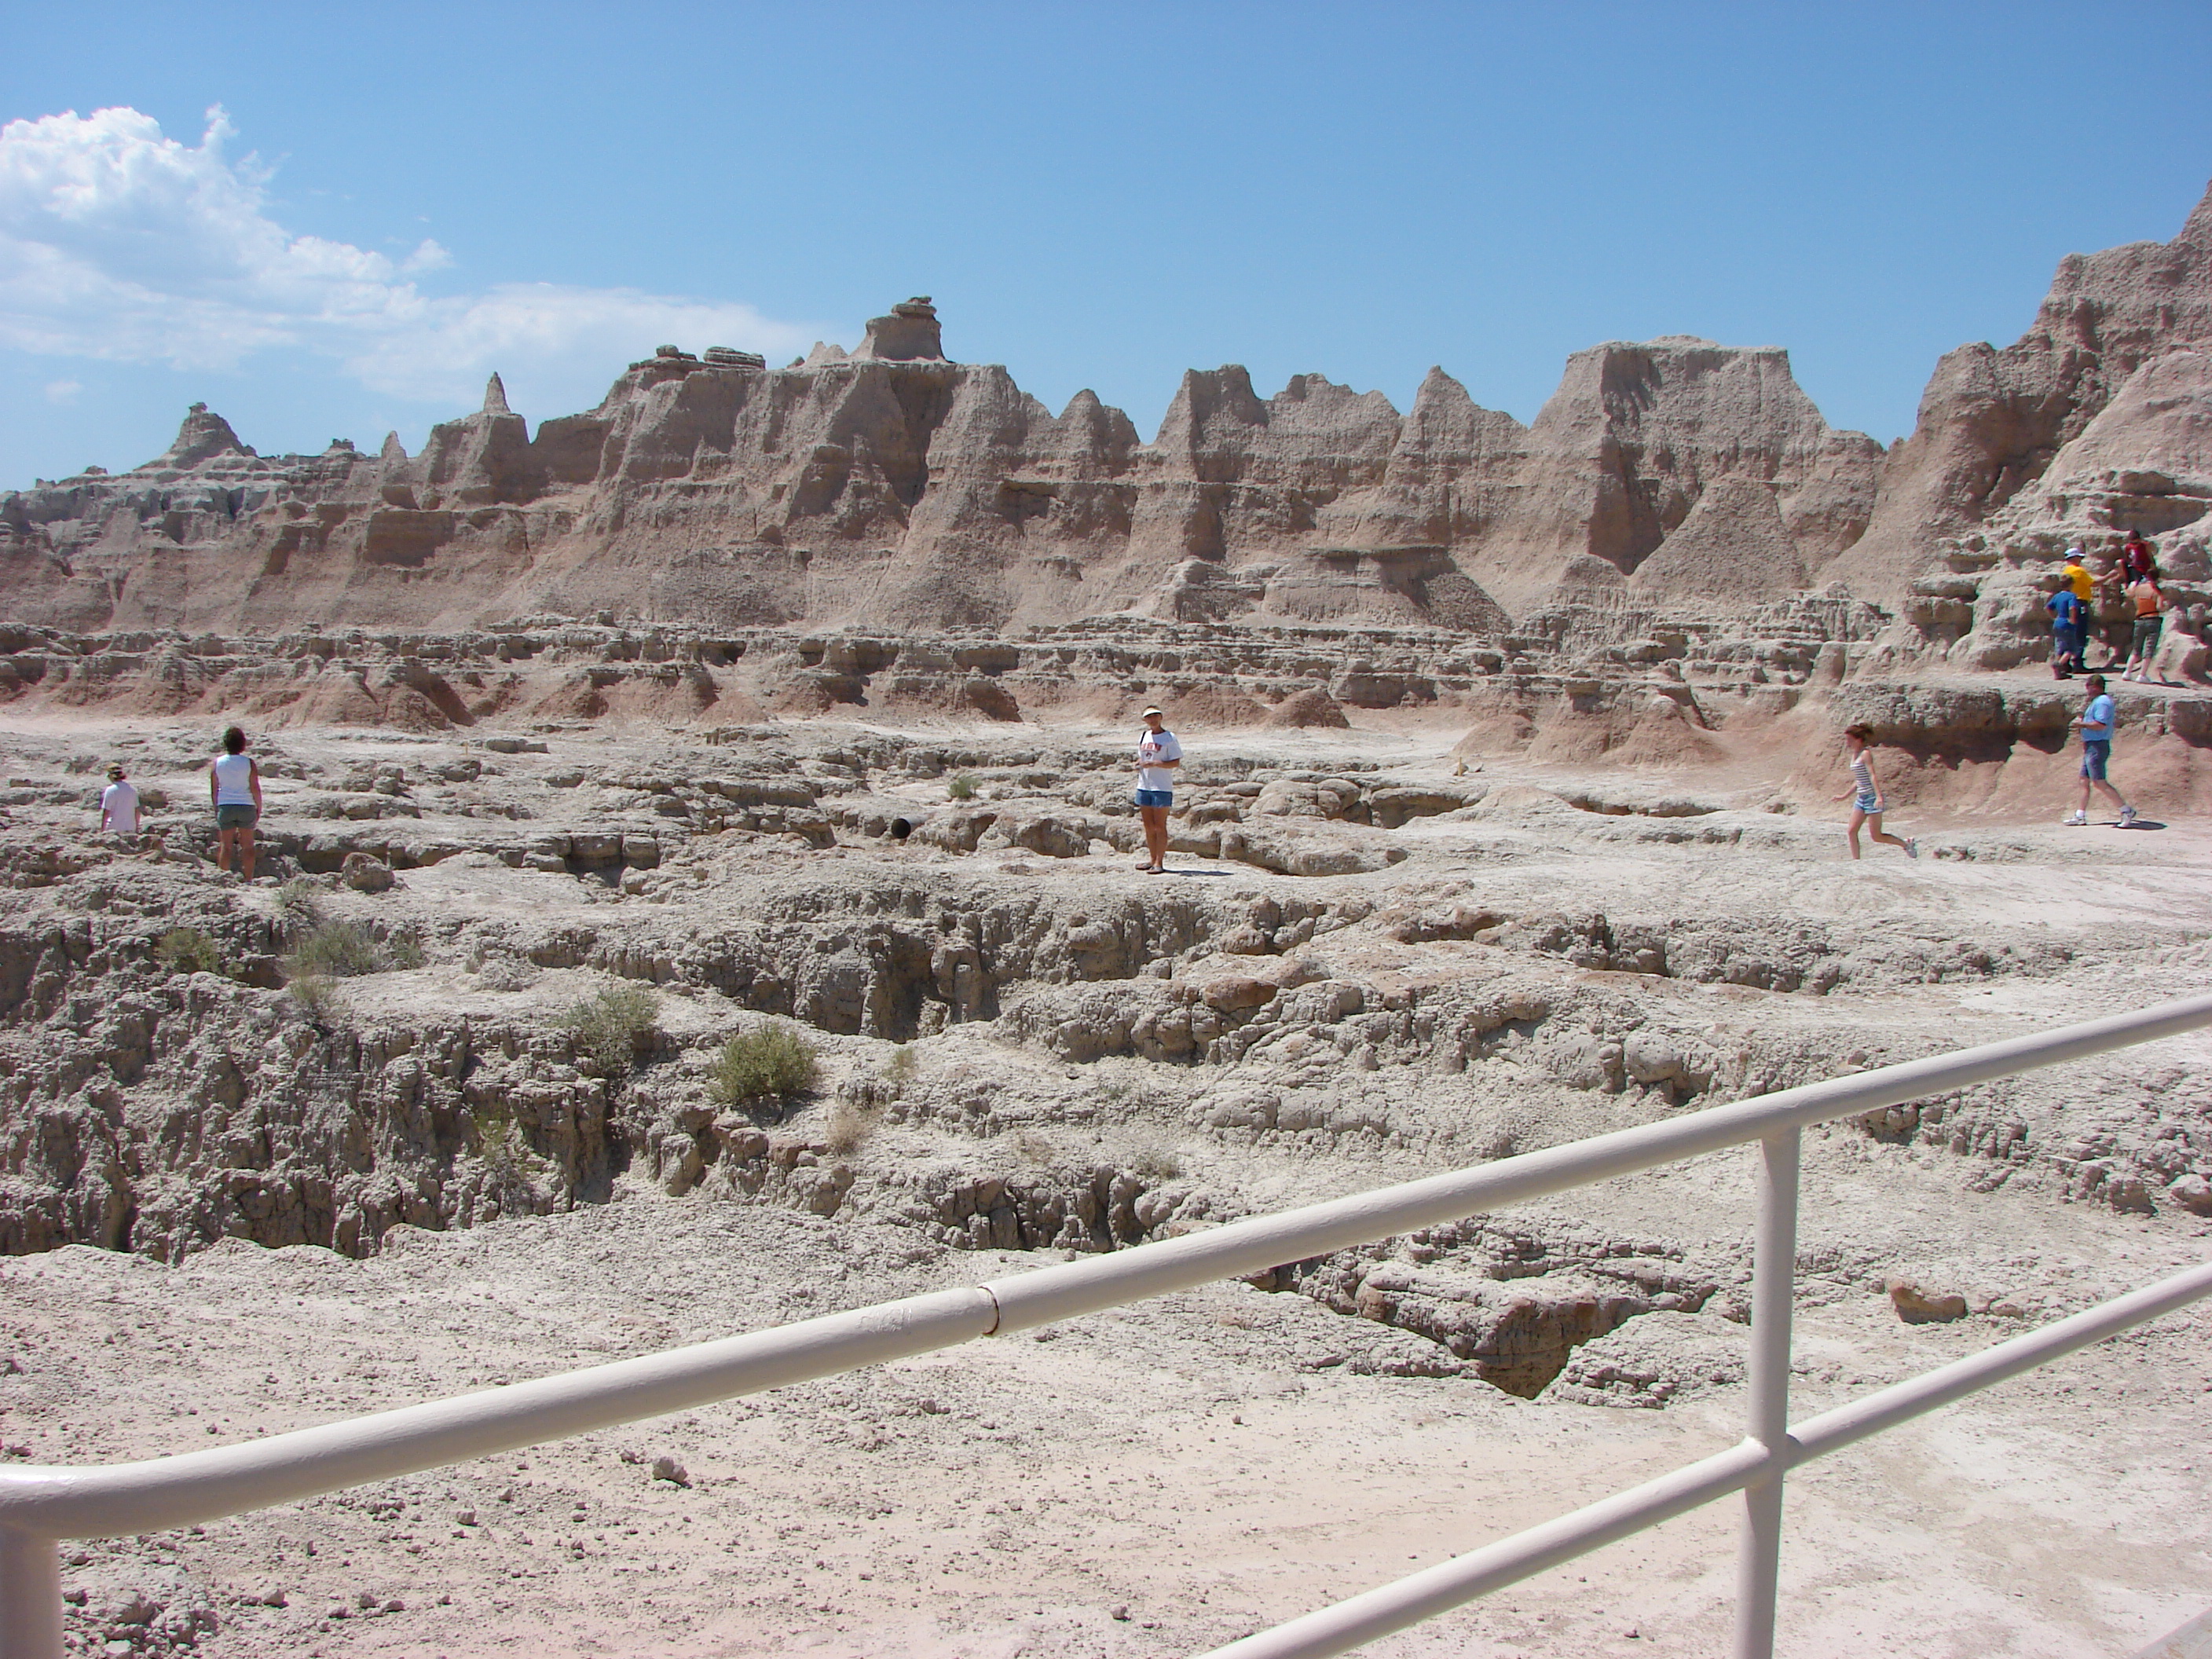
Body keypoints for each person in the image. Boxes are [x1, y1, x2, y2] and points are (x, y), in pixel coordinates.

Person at [1829, 723, 1917, 859]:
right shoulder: (1855, 755)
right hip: (1861, 798)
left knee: (1877, 836)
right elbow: (1859, 780)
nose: (1847, 743)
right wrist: (1844, 796)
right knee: (1852, 831)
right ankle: (1856, 861)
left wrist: (1879, 796)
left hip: (1871, 798)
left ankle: (1906, 844)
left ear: (1858, 739)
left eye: (1849, 739)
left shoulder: (1865, 754)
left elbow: (1872, 775)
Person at [2063, 675, 2136, 827]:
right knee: (2084, 781)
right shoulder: (2096, 702)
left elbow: (2100, 724)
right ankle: (2080, 816)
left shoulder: (2103, 702)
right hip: (2090, 746)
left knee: (2099, 782)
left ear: (2094, 686)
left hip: (2098, 746)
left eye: (2088, 687)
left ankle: (2126, 810)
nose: (2087, 691)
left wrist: (2081, 725)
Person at [1132, 705, 1182, 874]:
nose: (1152, 720)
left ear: (1161, 717)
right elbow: (1144, 755)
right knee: (1148, 825)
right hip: (1144, 785)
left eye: (1155, 716)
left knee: (1159, 825)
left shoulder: (1169, 738)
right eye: (1148, 717)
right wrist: (1139, 763)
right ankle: (1152, 859)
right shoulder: (1144, 736)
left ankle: (1159, 862)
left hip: (1161, 786)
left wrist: (1155, 764)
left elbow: (1175, 762)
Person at [210, 726, 263, 877]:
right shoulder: (249, 763)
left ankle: (224, 877)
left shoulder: (217, 763)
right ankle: (248, 878)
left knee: (226, 846)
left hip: (225, 805)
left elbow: (214, 788)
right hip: (246, 805)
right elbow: (255, 787)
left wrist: (216, 807)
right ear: (242, 744)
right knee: (248, 846)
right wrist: (259, 806)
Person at [2123, 567, 2170, 683]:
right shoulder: (2157, 591)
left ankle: (2127, 672)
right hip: (2153, 619)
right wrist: (2166, 607)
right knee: (2148, 649)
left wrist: (2127, 586)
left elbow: (2129, 594)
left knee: (2136, 648)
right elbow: (2160, 607)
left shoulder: (2139, 588)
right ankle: (2142, 675)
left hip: (2140, 619)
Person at [2045, 580, 2085, 678]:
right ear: (2071, 585)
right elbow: (2072, 608)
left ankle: (2057, 672)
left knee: (2060, 648)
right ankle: (2059, 665)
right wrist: (2073, 619)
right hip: (2067, 624)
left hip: (2058, 624)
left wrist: (2054, 618)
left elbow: (2047, 608)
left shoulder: (2057, 596)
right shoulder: (2072, 596)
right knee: (2071, 649)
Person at [99, 763, 140, 843]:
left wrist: (102, 829)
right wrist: (136, 827)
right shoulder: (132, 790)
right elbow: (137, 811)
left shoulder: (110, 790)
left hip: (114, 828)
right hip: (130, 828)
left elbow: (106, 812)